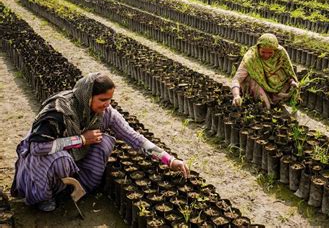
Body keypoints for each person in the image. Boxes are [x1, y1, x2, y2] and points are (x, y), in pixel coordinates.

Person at [11, 73, 189, 212]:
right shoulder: (59, 111)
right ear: (87, 96)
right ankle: (42, 195)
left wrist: (169, 160)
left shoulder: (105, 113)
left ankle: (73, 187)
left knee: (103, 142)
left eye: (110, 99)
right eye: (102, 99)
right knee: (61, 160)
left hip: (73, 156)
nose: (107, 104)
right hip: (42, 157)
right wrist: (80, 139)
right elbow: (37, 147)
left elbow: (134, 137)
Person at [232, 33, 299, 109]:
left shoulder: (280, 54)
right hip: (257, 85)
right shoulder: (251, 58)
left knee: (288, 89)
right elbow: (237, 79)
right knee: (266, 106)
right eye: (263, 52)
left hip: (275, 87)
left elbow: (288, 73)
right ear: (258, 48)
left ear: (275, 50)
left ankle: (274, 100)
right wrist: (236, 95)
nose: (266, 55)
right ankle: (261, 102)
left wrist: (292, 82)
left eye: (270, 52)